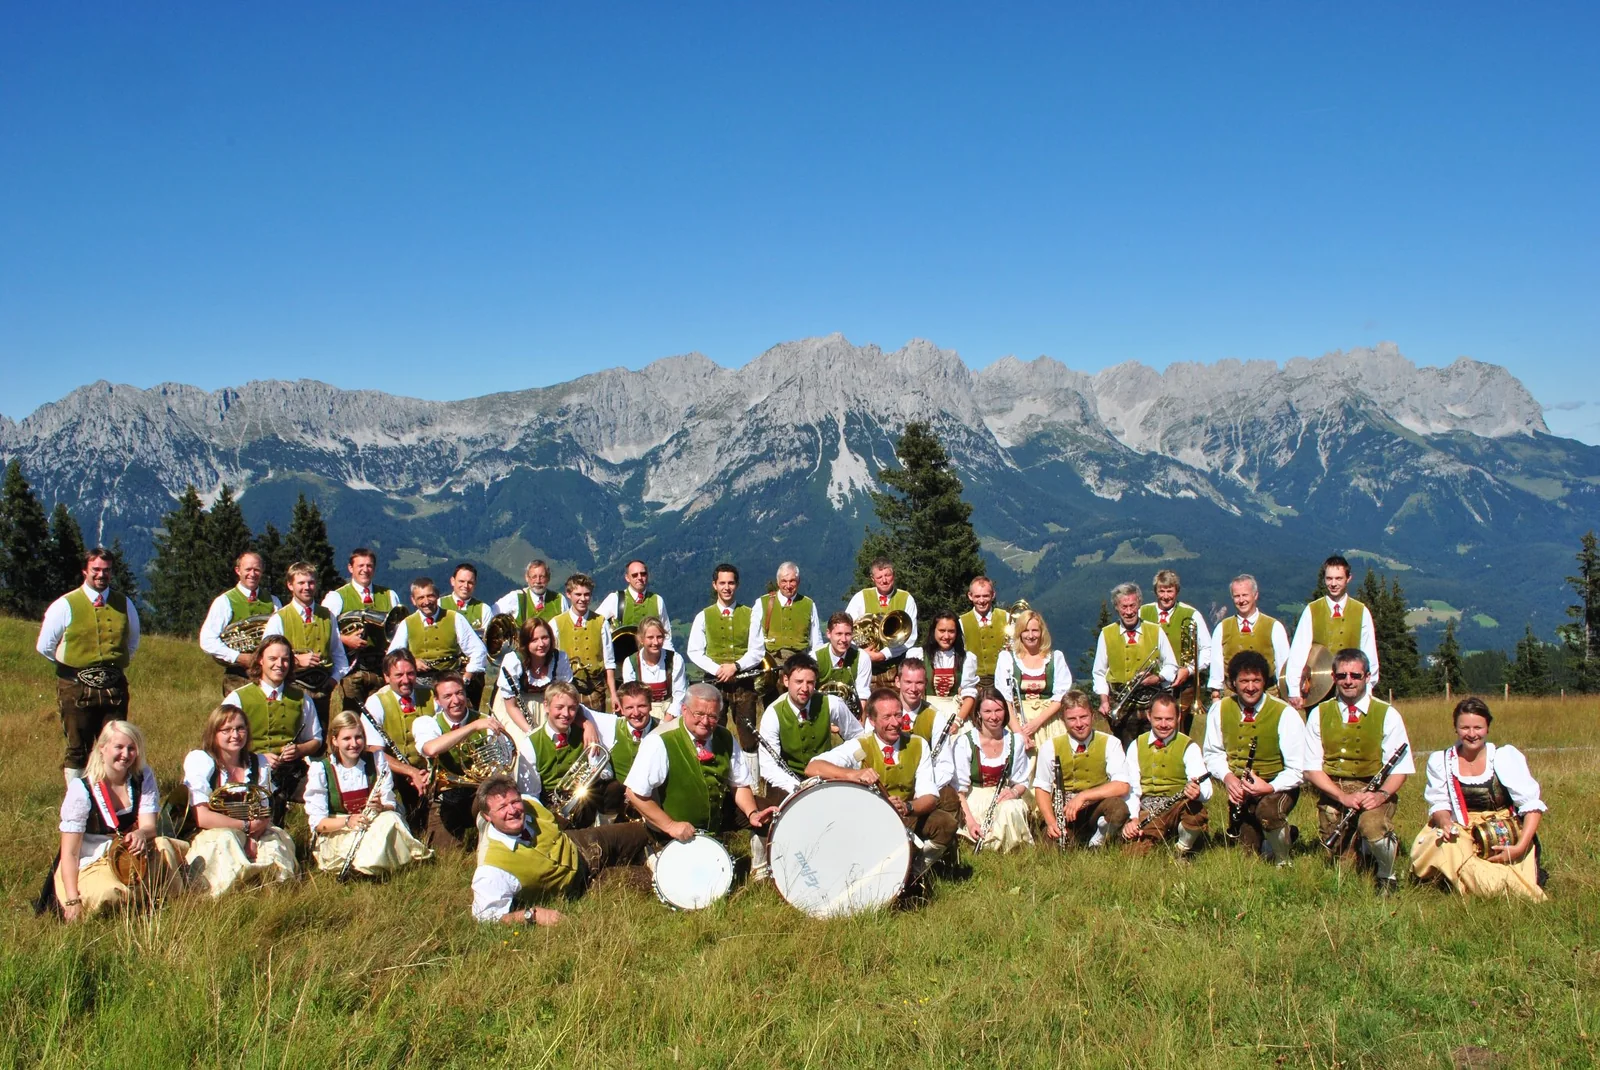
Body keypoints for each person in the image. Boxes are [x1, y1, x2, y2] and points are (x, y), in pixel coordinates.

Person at [806, 687, 959, 879]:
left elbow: (930, 797)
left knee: (946, 824)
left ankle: (914, 873)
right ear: (872, 720)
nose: (895, 723)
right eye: (887, 717)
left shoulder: (918, 745)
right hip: (865, 822)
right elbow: (813, 767)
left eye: (898, 715)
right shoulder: (860, 745)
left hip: (905, 817)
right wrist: (853, 774)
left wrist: (907, 806)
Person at [44, 721, 185, 920]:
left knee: (164, 850)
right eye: (119, 747)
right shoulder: (81, 789)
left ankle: (163, 902)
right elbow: (70, 852)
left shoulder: (143, 777)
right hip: (92, 860)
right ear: (102, 748)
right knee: (107, 893)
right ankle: (138, 901)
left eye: (131, 748)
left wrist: (140, 834)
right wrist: (72, 898)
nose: (126, 755)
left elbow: (149, 827)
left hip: (131, 854)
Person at [1411, 697, 1547, 902]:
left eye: (1478, 727)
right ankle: (1498, 885)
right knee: (1445, 845)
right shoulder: (1441, 761)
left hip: (1498, 829)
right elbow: (1439, 803)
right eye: (1465, 727)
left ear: (1488, 728)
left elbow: (1531, 806)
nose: (1472, 734)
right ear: (1455, 728)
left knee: (1456, 858)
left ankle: (1473, 883)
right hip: (1462, 829)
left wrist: (1520, 847)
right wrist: (1445, 822)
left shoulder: (1504, 757)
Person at [470, 774, 654, 925]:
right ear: (487, 816)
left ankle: (652, 852)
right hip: (581, 887)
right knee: (651, 880)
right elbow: (486, 917)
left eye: (514, 801)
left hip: (583, 844)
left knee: (646, 831)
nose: (513, 810)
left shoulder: (529, 803)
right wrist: (533, 915)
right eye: (502, 807)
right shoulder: (491, 868)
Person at [1303, 649, 1415, 894]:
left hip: (1374, 790)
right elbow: (1312, 769)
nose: (1348, 680)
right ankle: (1363, 849)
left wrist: (1380, 796)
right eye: (1342, 675)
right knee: (1343, 867)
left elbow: (1401, 770)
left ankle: (1388, 875)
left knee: (1373, 827)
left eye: (1355, 675)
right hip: (1335, 791)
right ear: (1333, 677)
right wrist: (1342, 797)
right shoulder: (1319, 714)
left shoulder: (1388, 714)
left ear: (1367, 676)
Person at [753, 652, 865, 878]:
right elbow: (767, 765)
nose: (805, 688)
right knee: (768, 815)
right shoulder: (773, 714)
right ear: (786, 681)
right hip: (787, 780)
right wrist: (796, 787)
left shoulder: (832, 703)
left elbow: (858, 737)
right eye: (799, 682)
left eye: (810, 683)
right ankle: (762, 868)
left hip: (825, 774)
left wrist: (843, 764)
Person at [36, 547, 141, 785]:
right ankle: (77, 799)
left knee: (116, 745)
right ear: (85, 570)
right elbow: (45, 646)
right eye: (96, 569)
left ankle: (111, 796)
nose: (101, 575)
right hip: (75, 687)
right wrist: (74, 668)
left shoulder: (124, 604)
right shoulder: (65, 605)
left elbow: (132, 642)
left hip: (114, 687)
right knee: (77, 748)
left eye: (106, 570)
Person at [624, 682, 775, 845]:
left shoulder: (724, 737)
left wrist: (752, 813)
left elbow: (739, 784)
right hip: (671, 833)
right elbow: (634, 793)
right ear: (684, 710)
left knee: (765, 811)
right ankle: (654, 853)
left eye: (712, 716)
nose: (705, 721)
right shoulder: (659, 740)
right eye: (699, 714)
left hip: (716, 818)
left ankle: (760, 867)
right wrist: (670, 826)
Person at [1201, 650, 1308, 864]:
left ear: (1265, 682)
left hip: (1277, 787)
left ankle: (1283, 861)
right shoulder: (1219, 710)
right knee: (1248, 856)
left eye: (1256, 680)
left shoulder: (1285, 713)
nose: (1251, 687)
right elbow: (1213, 753)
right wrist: (1229, 779)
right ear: (1233, 683)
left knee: (1268, 812)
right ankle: (1286, 834)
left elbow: (1298, 770)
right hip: (1242, 792)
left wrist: (1268, 787)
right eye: (1244, 681)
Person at [182, 704, 299, 896]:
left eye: (240, 728)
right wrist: (245, 827)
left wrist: (252, 836)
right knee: (226, 841)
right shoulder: (202, 760)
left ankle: (272, 890)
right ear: (214, 733)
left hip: (254, 829)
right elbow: (202, 817)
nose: (235, 735)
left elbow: (263, 812)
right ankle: (232, 893)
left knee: (275, 842)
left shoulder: (258, 763)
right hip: (213, 830)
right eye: (226, 730)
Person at [306, 710, 432, 876]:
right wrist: (348, 821)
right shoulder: (321, 769)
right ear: (334, 740)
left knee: (391, 819)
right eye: (347, 738)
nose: (354, 743)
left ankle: (366, 866)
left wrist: (382, 807)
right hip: (338, 832)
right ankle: (370, 864)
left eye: (359, 737)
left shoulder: (377, 760)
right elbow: (318, 823)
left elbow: (391, 804)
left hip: (373, 824)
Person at [220, 634, 324, 825]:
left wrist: (299, 750)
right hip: (249, 770)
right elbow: (220, 740)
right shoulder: (237, 698)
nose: (280, 664)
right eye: (273, 659)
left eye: (285, 660)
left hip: (292, 771)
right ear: (260, 660)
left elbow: (316, 740)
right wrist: (256, 757)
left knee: (327, 789)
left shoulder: (303, 699)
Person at [414, 673, 512, 849]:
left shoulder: (486, 721)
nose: (456, 700)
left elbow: (504, 763)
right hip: (446, 796)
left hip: (479, 794)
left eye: (459, 693)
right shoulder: (427, 723)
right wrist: (472, 727)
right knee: (445, 856)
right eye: (447, 696)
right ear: (437, 700)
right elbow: (431, 749)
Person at [1032, 692, 1130, 848]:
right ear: (1063, 720)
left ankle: (1099, 841)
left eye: (1083, 717)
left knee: (1118, 809)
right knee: (1050, 850)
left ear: (1092, 716)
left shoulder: (1111, 743)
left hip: (1095, 808)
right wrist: (1051, 822)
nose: (1079, 724)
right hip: (1065, 812)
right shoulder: (1049, 747)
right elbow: (1042, 787)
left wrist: (1083, 796)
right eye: (1072, 719)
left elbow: (1122, 785)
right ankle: (1076, 839)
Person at [1119, 694, 1211, 859]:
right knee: (1133, 856)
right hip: (1149, 808)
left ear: (1178, 717)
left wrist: (1197, 791)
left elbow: (1207, 789)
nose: (1163, 724)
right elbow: (1132, 787)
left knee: (1196, 810)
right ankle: (1165, 837)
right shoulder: (1136, 745)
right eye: (1158, 719)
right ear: (1149, 716)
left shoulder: (1189, 746)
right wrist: (1133, 818)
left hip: (1178, 807)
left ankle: (1183, 850)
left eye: (1169, 719)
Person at [263, 560, 348, 734]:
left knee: (321, 739)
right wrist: (295, 660)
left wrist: (333, 680)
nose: (307, 587)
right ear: (290, 585)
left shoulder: (327, 616)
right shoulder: (279, 618)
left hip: (323, 690)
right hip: (292, 690)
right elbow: (266, 658)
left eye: (310, 582)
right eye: (301, 583)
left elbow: (339, 655)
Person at [686, 563, 764, 752]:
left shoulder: (750, 614)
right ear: (715, 585)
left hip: (743, 683)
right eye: (722, 583)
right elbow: (694, 651)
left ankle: (751, 781)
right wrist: (718, 670)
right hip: (714, 683)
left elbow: (758, 650)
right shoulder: (703, 616)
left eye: (730, 583)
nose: (726, 587)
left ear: (737, 585)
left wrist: (735, 666)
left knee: (749, 738)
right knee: (710, 732)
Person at [1286, 555, 1380, 709]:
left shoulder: (1361, 611)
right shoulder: (1312, 610)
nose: (1333, 584)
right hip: (1318, 687)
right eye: (1329, 579)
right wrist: (1294, 689)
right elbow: (1298, 650)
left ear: (1348, 579)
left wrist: (1369, 688)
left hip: (1352, 685)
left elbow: (1369, 653)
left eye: (1338, 578)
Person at [1092, 582, 1177, 747]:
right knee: (1125, 751)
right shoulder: (1107, 633)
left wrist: (1157, 678)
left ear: (1139, 604)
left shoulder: (1155, 630)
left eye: (1133, 605)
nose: (1129, 611)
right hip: (1123, 708)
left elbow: (1171, 665)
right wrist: (1104, 700)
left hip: (1151, 705)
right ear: (1116, 607)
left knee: (1153, 748)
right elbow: (1099, 672)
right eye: (1124, 607)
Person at [360, 649, 436, 829]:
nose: (406, 680)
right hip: (391, 771)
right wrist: (410, 771)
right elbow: (374, 750)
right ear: (386, 677)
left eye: (410, 673)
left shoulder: (432, 696)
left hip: (429, 771)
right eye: (398, 675)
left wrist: (427, 772)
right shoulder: (376, 702)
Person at [953, 690, 1033, 853]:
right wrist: (970, 821)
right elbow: (958, 791)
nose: (994, 717)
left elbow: (1022, 781)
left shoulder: (1015, 741)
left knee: (1011, 808)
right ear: (978, 714)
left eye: (999, 710)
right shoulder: (965, 742)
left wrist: (1014, 792)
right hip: (974, 798)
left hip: (1003, 796)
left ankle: (1011, 851)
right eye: (988, 711)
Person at [324, 547, 401, 712]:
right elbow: (324, 630)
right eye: (360, 566)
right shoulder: (337, 597)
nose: (365, 570)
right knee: (352, 717)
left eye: (369, 566)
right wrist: (346, 640)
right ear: (350, 568)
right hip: (352, 670)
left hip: (381, 670)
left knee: (381, 716)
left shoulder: (389, 594)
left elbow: (400, 628)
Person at [199, 550, 282, 695]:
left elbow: (282, 637)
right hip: (237, 676)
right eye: (248, 569)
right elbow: (207, 640)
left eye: (257, 569)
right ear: (238, 571)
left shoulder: (273, 601)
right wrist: (238, 657)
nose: (252, 574)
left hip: (268, 676)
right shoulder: (224, 601)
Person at [528, 682, 608, 830]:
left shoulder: (585, 735)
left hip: (582, 801)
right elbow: (530, 795)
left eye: (572, 708)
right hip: (549, 806)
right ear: (546, 706)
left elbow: (597, 770)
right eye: (559, 707)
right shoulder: (530, 743)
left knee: (612, 789)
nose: (566, 714)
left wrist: (587, 725)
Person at [386, 576, 489, 691]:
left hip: (450, 682)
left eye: (430, 596)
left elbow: (478, 650)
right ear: (413, 601)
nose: (426, 602)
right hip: (418, 684)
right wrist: (412, 662)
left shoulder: (455, 618)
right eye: (420, 598)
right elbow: (392, 656)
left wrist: (466, 678)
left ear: (437, 596)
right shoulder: (407, 623)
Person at [1140, 569, 1211, 733]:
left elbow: (1207, 650)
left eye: (1169, 591)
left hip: (1182, 686)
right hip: (1149, 686)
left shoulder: (1192, 615)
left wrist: (1189, 669)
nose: (1165, 596)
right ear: (1155, 592)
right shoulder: (1142, 612)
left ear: (1177, 591)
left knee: (1180, 732)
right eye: (1161, 591)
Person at [994, 608, 1073, 752]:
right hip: (1016, 721)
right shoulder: (1007, 658)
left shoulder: (1056, 658)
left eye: (1035, 630)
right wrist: (1019, 732)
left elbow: (1060, 697)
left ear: (1042, 632)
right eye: (1026, 631)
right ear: (1019, 633)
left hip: (1049, 722)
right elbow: (1005, 700)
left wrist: (1036, 723)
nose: (1030, 635)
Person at [751, 562, 823, 705]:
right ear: (778, 582)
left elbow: (817, 642)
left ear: (798, 581)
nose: (788, 585)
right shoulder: (762, 603)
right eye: (784, 581)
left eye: (792, 581)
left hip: (800, 666)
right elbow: (754, 642)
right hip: (773, 669)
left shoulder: (809, 604)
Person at [1207, 574, 1290, 698]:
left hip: (1267, 695)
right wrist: (1215, 695)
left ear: (1255, 595)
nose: (1241, 600)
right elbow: (1216, 666)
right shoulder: (1222, 628)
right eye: (1237, 596)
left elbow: (1283, 665)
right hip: (1232, 696)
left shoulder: (1274, 627)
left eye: (1245, 595)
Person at [846, 558, 920, 688]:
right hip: (866, 668)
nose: (884, 580)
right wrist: (863, 653)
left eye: (888, 575)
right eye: (879, 577)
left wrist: (883, 655)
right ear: (872, 578)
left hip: (895, 668)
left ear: (894, 575)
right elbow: (846, 628)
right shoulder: (860, 597)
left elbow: (910, 637)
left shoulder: (906, 598)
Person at [594, 683, 661, 822]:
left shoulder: (663, 730)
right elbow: (579, 708)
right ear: (622, 710)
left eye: (641, 706)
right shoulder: (611, 724)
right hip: (616, 804)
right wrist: (588, 725)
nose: (636, 713)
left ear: (650, 706)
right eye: (629, 707)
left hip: (651, 803)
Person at [552, 573, 617, 712]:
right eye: (578, 594)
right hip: (566, 689)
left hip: (596, 689)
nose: (583, 599)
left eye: (586, 594)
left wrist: (613, 694)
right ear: (568, 594)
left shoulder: (601, 622)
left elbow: (609, 662)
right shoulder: (556, 623)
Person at [906, 609, 979, 731]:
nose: (946, 636)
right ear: (933, 631)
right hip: (924, 711)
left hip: (955, 714)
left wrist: (957, 722)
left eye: (951, 631)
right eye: (942, 631)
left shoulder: (966, 658)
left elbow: (969, 695)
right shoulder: (918, 654)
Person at [595, 559, 675, 650]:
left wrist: (670, 658)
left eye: (643, 574)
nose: (639, 578)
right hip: (621, 657)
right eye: (634, 575)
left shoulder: (658, 600)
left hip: (651, 659)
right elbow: (595, 624)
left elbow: (666, 634)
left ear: (647, 576)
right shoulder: (615, 599)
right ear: (627, 578)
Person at [619, 616, 686, 724]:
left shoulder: (675, 660)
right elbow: (631, 697)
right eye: (650, 637)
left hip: (670, 715)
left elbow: (679, 696)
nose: (655, 642)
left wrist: (665, 722)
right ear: (641, 639)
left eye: (659, 637)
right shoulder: (631, 663)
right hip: (640, 715)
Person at [445, 562, 494, 706]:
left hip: (474, 676)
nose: (465, 586)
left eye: (470, 582)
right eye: (461, 581)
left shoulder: (484, 609)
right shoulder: (439, 604)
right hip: (446, 669)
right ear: (452, 581)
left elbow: (488, 643)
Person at [812, 611, 871, 710]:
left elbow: (862, 697)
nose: (843, 639)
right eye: (839, 634)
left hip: (851, 714)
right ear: (828, 634)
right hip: (821, 710)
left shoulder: (862, 657)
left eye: (847, 634)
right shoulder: (815, 658)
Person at [960, 576, 1010, 688]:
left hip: (1002, 682)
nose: (981, 601)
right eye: (977, 596)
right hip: (974, 683)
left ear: (993, 595)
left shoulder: (1006, 618)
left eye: (985, 596)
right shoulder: (961, 623)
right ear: (970, 596)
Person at [494, 559, 565, 628]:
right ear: (527, 578)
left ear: (548, 578)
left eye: (542, 577)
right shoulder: (516, 598)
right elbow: (492, 613)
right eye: (534, 577)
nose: (538, 581)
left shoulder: (559, 599)